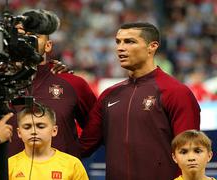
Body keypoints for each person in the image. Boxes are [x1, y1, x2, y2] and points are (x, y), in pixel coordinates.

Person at [79, 22, 201, 180]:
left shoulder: (176, 92)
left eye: (130, 41)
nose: (120, 48)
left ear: (152, 46)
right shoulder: (109, 95)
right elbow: (83, 147)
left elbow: (190, 152)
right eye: (118, 42)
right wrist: (65, 84)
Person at [7, 9, 96, 158]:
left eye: (34, 36)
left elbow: (96, 128)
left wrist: (75, 153)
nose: (27, 41)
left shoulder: (73, 83)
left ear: (48, 45)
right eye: (22, 36)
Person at [0, 104, 89, 180]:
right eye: (27, 127)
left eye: (41, 126)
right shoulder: (8, 166)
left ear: (54, 130)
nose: (34, 131)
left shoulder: (72, 164)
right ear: (19, 132)